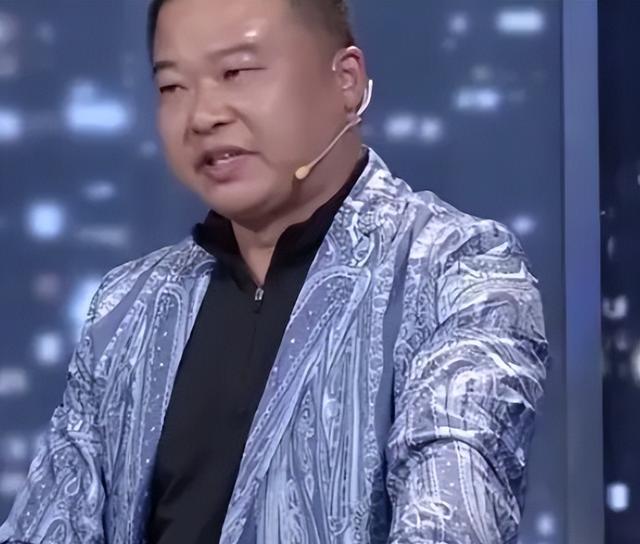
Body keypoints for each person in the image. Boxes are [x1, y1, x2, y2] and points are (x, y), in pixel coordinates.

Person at [0, 0, 549, 542]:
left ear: (347, 81)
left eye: (236, 72)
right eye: (173, 87)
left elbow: (453, 518)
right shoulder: (127, 307)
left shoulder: (457, 271)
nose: (203, 115)